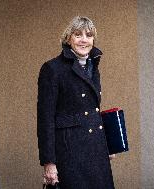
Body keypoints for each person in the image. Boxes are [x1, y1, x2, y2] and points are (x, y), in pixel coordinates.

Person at [37, 16, 116, 189]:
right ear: (68, 38)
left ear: (93, 40)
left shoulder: (93, 66)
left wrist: (107, 143)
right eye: (78, 34)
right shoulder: (52, 69)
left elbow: (92, 110)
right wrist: (49, 162)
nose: (84, 40)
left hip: (97, 150)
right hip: (70, 154)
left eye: (88, 35)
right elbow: (45, 119)